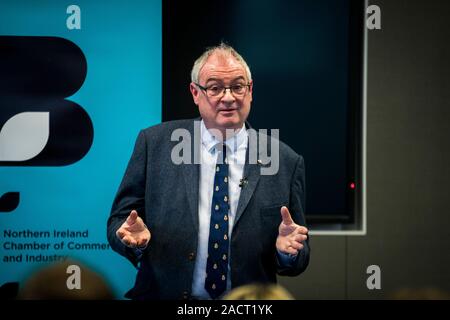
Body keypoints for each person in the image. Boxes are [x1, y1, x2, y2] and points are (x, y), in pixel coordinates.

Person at [107, 43, 310, 300]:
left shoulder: (285, 161)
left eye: (237, 86)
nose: (228, 97)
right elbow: (119, 221)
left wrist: (288, 251)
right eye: (215, 88)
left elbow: (300, 254)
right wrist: (133, 239)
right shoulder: (155, 144)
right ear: (195, 92)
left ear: (250, 91)